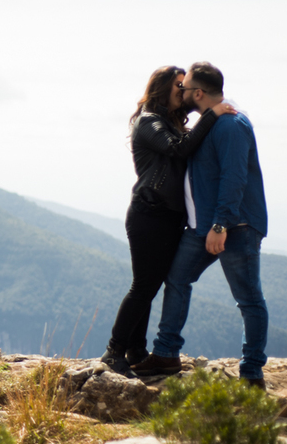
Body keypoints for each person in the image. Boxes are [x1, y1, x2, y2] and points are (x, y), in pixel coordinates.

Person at [132, 62, 269, 388]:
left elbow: (234, 178)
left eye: (185, 88)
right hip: (201, 226)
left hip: (235, 226)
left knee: (249, 299)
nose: (180, 92)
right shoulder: (209, 124)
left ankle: (252, 373)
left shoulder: (232, 125)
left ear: (198, 93)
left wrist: (221, 225)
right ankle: (165, 354)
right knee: (177, 279)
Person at [99, 65, 236, 376]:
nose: (183, 90)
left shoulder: (168, 122)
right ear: (162, 87)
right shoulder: (149, 122)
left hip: (167, 217)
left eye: (186, 85)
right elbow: (178, 150)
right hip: (149, 214)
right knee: (143, 286)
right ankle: (113, 351)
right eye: (178, 85)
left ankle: (135, 349)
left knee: (151, 284)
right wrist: (212, 114)